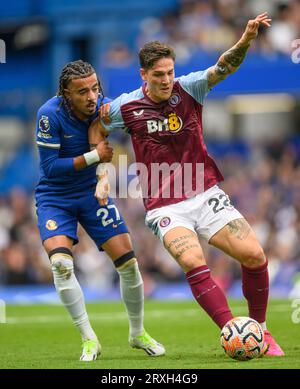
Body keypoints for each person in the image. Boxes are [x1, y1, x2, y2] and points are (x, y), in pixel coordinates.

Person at [89, 12, 284, 356]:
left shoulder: (190, 87)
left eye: (170, 72)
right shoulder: (125, 107)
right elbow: (97, 128)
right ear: (144, 75)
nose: (166, 80)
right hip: (165, 207)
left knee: (254, 255)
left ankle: (262, 332)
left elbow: (224, 66)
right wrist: (102, 171)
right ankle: (234, 334)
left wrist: (246, 39)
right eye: (158, 75)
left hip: (204, 192)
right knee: (194, 261)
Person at [35, 60, 165, 361]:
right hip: (55, 198)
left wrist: (104, 175)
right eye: (82, 92)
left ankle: (137, 333)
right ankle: (89, 338)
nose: (91, 97)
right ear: (66, 94)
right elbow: (50, 169)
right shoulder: (48, 115)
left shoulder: (105, 107)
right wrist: (94, 157)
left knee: (129, 264)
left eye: (95, 89)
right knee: (61, 265)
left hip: (92, 196)